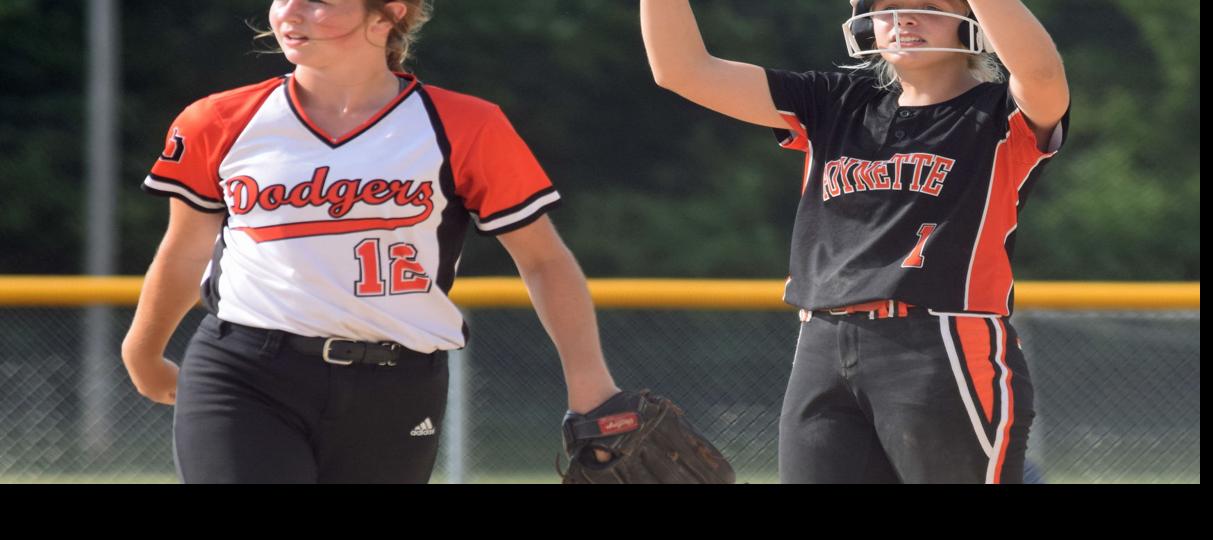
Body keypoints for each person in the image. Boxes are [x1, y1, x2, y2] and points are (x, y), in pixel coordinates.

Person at [121, 0, 622, 483]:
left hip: (398, 384)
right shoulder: (220, 119)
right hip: (247, 371)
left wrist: (591, 386)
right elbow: (185, 248)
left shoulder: (465, 125)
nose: (289, 11)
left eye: (317, 0)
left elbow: (543, 261)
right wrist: (142, 350)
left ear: (388, 14)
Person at [641, 0, 1069, 484]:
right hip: (821, 342)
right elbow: (682, 69)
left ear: (972, 21)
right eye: (888, 7)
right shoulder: (835, 103)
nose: (904, 19)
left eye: (929, 6)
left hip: (942, 341)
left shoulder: (998, 113)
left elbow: (1042, 73)